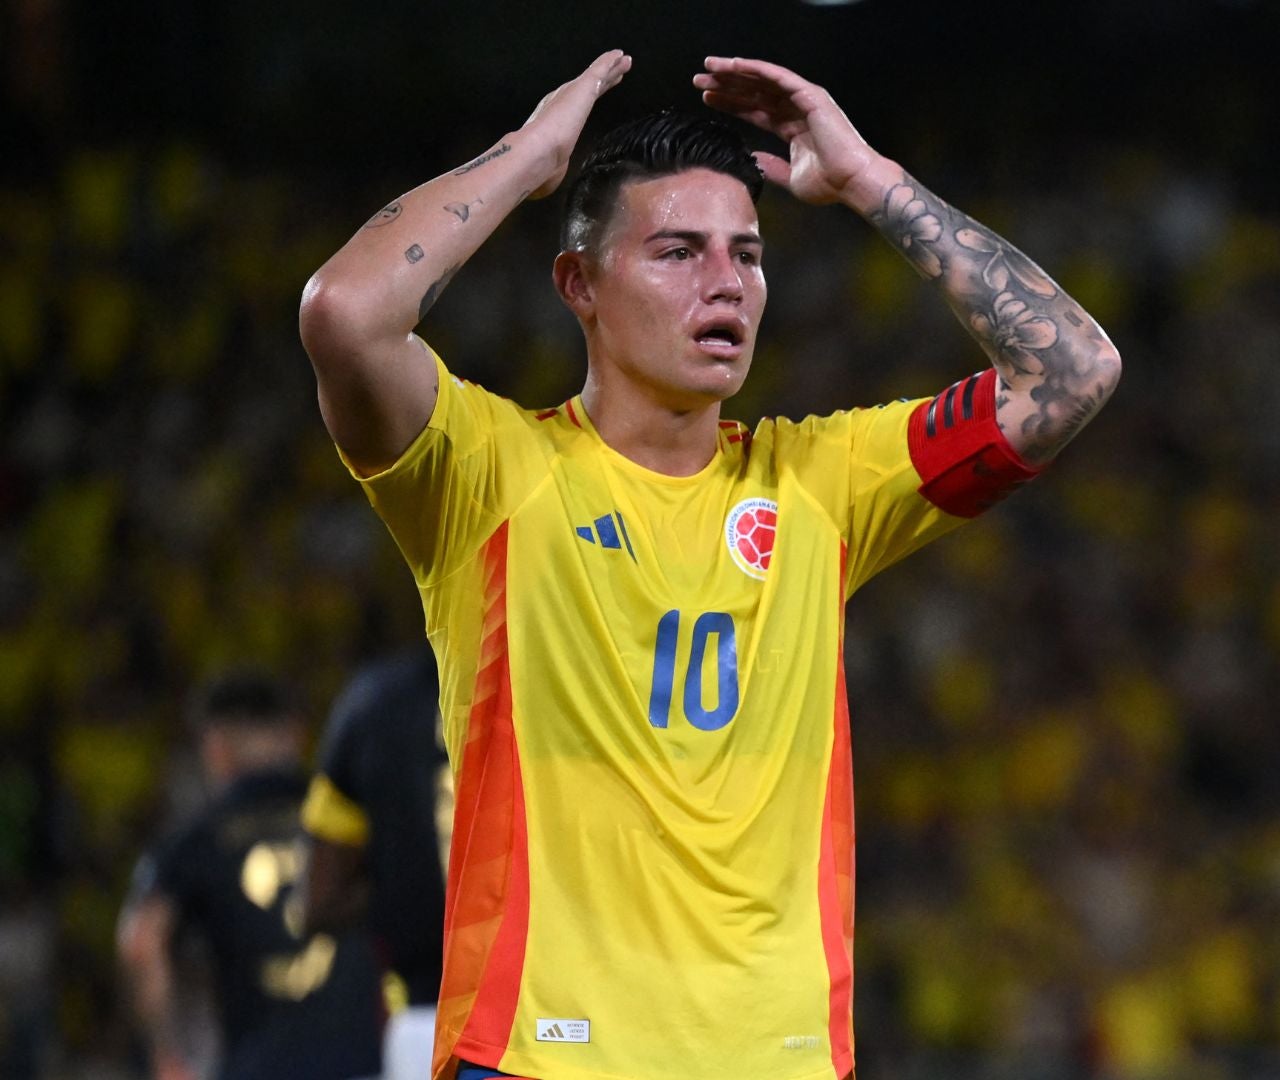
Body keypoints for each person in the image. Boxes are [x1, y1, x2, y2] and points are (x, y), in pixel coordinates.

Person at [297, 51, 1121, 1080]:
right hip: (540, 1058)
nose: (725, 281)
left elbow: (1075, 369)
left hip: (775, 1060)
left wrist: (869, 180)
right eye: (678, 252)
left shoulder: (821, 484)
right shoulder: (490, 474)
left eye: (748, 253)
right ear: (579, 285)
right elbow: (345, 313)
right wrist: (526, 160)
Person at [118, 673, 384, 1080]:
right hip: (364, 1061)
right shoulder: (348, 823)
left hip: (258, 1066)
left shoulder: (195, 839)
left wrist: (167, 1053)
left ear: (216, 746)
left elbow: (141, 944)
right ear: (297, 735)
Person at [298, 644, 448, 1080]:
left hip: (427, 1025)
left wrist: (404, 876)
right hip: (565, 1021)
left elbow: (316, 902)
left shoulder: (375, 704)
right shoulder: (569, 684)